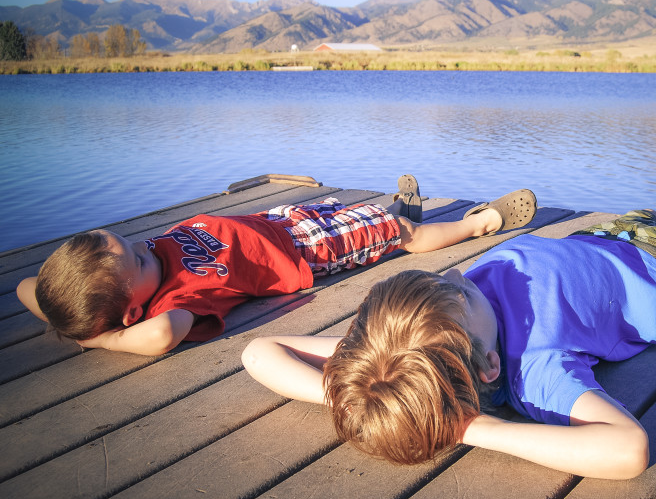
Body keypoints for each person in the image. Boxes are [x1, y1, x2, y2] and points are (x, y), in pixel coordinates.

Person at [241, 172, 656, 480]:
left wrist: (364, 384)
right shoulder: (534, 373)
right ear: (487, 370)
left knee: (650, 219)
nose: (456, 276)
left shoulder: (399, 352)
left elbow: (260, 352)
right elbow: (627, 450)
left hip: (608, 243)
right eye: (458, 295)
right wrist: (473, 425)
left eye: (444, 278)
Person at [16, 175, 538, 356]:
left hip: (277, 221)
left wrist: (62, 312)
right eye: (134, 257)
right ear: (131, 312)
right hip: (303, 252)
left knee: (358, 216)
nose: (141, 245)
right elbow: (159, 338)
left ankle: (395, 213)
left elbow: (28, 288)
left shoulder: (137, 275)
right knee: (400, 237)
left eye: (129, 241)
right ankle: (482, 221)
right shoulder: (175, 300)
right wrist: (97, 340)